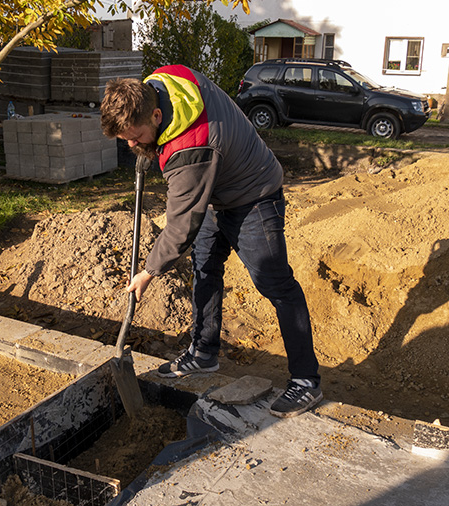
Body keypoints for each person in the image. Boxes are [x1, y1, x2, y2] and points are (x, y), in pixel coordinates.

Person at [100, 65, 322, 418]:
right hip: (217, 187)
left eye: (135, 135)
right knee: (204, 266)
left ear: (156, 115)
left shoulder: (189, 149)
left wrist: (148, 271)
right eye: (125, 139)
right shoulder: (165, 79)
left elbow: (180, 226)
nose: (131, 145)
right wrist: (147, 144)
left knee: (275, 283)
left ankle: (306, 381)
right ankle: (203, 352)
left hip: (253, 193)